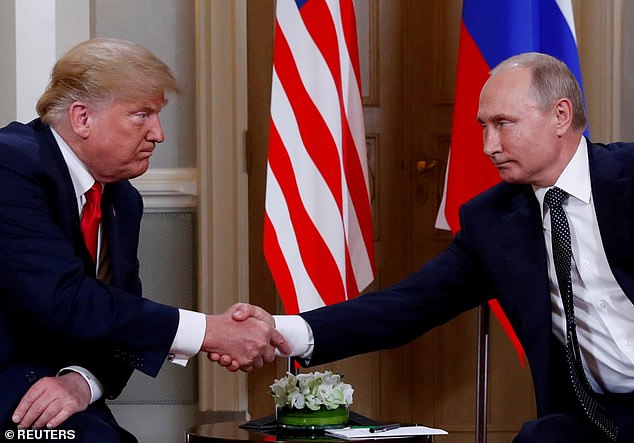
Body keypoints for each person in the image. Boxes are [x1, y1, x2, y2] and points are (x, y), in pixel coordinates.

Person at [219, 52, 634, 443]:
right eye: (483, 126)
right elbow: (409, 305)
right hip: (593, 418)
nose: (488, 146)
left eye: (503, 123)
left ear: (560, 115)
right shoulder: (492, 221)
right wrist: (284, 329)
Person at [0, 37, 290, 442]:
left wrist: (82, 382)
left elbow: (121, 316)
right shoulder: (10, 165)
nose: (159, 134)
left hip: (62, 397)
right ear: (82, 118)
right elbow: (67, 299)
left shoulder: (122, 200)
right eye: (142, 115)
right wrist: (209, 331)